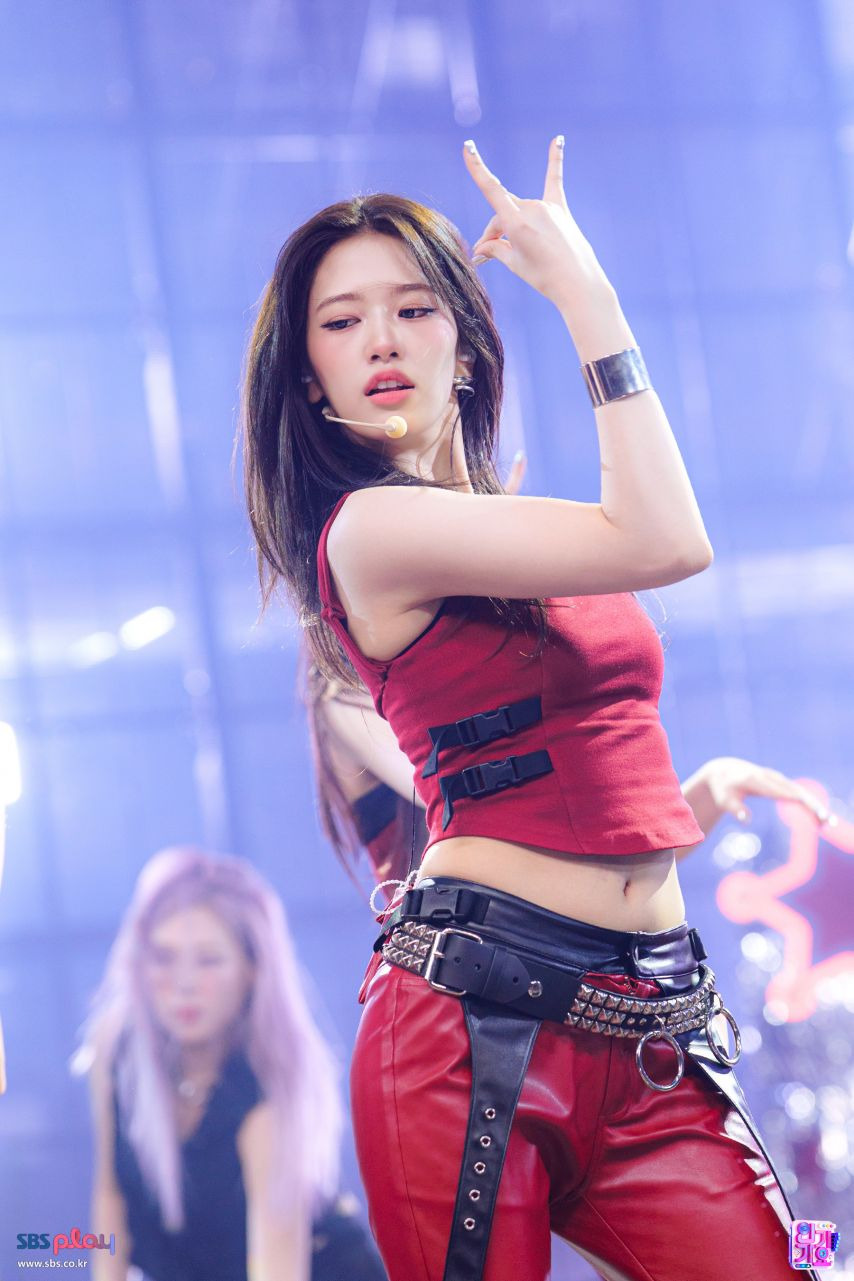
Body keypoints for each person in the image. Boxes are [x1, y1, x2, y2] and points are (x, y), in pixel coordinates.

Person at [240, 136, 830, 1281]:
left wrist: (684, 802)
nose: (380, 340)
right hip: (469, 1029)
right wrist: (585, 294)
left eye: (413, 309)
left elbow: (557, 769)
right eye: (342, 322)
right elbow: (668, 538)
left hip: (652, 1022)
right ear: (309, 378)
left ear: (462, 343)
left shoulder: (519, 532)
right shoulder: (367, 529)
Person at [75, 846, 381, 1281]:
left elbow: (276, 1273)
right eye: (163, 957)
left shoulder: (266, 1093)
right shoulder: (116, 1046)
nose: (183, 984)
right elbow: (111, 1197)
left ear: (252, 969)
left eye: (209, 960)